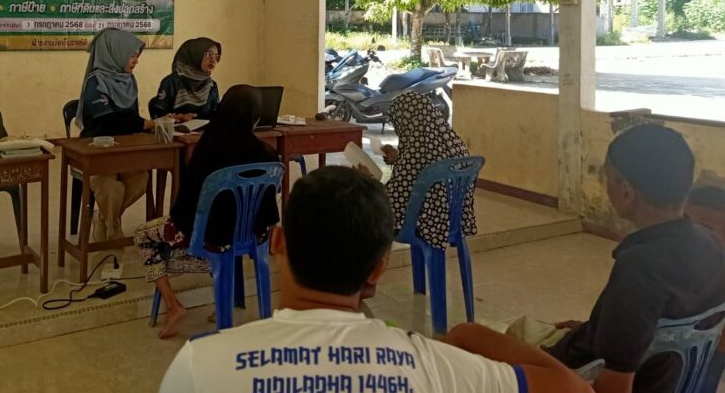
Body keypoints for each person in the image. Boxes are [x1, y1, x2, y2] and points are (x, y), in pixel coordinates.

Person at [159, 165, 590, 393]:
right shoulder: (438, 368)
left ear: (277, 242)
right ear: (380, 267)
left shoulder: (202, 364)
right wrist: (469, 334)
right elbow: (573, 389)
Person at [545, 124, 725, 393]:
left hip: (574, 376)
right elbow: (662, 327)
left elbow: (615, 385)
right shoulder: (710, 245)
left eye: (608, 178)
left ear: (626, 192)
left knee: (498, 337)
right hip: (665, 380)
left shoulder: (638, 268)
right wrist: (597, 329)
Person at [135, 85, 279, 339]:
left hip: (209, 241)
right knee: (222, 229)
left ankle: (173, 305)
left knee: (143, 235)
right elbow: (269, 209)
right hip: (250, 237)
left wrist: (181, 227)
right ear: (254, 116)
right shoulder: (266, 153)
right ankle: (226, 296)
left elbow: (187, 204)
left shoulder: (208, 147)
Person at [74, 28, 153, 243]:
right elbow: (110, 120)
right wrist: (149, 124)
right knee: (110, 187)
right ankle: (112, 228)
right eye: (132, 55)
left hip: (124, 149)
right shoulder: (95, 81)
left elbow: (130, 119)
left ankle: (105, 219)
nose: (136, 61)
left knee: (141, 179)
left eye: (137, 55)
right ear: (114, 53)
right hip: (97, 152)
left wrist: (151, 125)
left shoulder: (129, 80)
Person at [382, 92, 477, 249]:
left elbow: (398, 192)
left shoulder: (416, 152)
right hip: (455, 221)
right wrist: (399, 159)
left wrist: (368, 180)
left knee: (366, 210)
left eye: (397, 121)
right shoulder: (452, 142)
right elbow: (423, 166)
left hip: (428, 225)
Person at [685, 175, 725, 393]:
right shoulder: (670, 264)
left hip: (703, 364)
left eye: (702, 228)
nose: (689, 236)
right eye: (684, 224)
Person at [150, 37, 222, 120]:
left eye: (216, 56)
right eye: (209, 54)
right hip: (176, 128)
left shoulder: (212, 85)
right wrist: (177, 118)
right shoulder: (171, 82)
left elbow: (215, 115)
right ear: (194, 55)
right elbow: (158, 117)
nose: (213, 60)